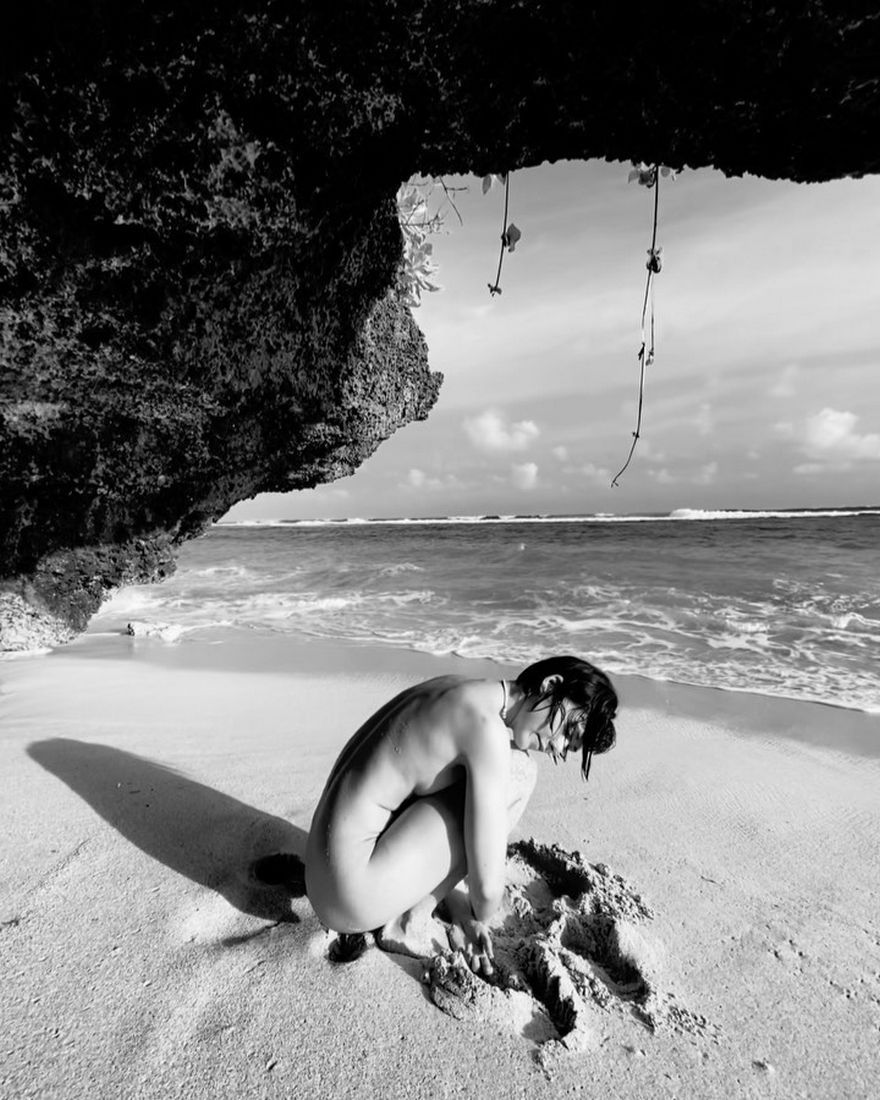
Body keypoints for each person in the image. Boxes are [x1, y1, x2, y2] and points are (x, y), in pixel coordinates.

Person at [304, 654, 617, 976]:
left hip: (320, 869)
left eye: (569, 748)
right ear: (550, 684)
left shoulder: (457, 688)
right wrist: (477, 912)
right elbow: (486, 896)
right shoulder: (486, 730)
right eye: (568, 730)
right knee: (521, 771)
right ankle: (411, 919)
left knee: (476, 777)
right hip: (351, 897)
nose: (559, 747)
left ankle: (420, 896)